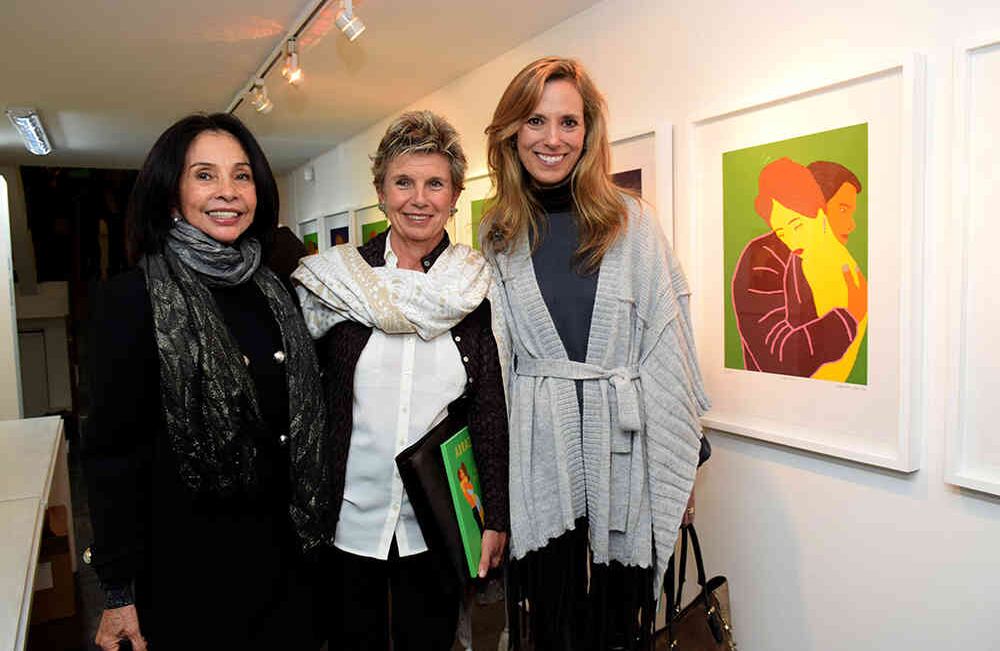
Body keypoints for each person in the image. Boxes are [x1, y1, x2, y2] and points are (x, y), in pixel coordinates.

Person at [481, 56, 710, 650]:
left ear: (589, 131)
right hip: (539, 460)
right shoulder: (498, 235)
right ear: (511, 132)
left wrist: (681, 465)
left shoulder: (632, 223)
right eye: (535, 120)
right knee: (547, 625)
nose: (553, 139)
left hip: (627, 455)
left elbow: (670, 345)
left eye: (568, 122)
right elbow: (493, 368)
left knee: (619, 625)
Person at [83, 113, 328, 651]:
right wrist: (117, 591)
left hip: (287, 561)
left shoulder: (275, 291)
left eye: (241, 176)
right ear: (171, 196)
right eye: (205, 175)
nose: (228, 192)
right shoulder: (129, 301)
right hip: (186, 571)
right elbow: (110, 456)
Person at [292, 110, 509, 650]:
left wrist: (496, 516)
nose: (419, 198)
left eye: (435, 183)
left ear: (455, 194)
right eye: (403, 181)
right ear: (382, 191)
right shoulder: (337, 280)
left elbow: (488, 411)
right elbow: (307, 402)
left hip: (436, 523)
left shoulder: (475, 288)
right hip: (347, 521)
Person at [731, 157, 867, 381]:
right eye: (783, 232)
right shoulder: (763, 258)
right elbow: (780, 356)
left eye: (797, 225)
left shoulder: (828, 259)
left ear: (819, 211)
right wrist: (848, 318)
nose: (792, 242)